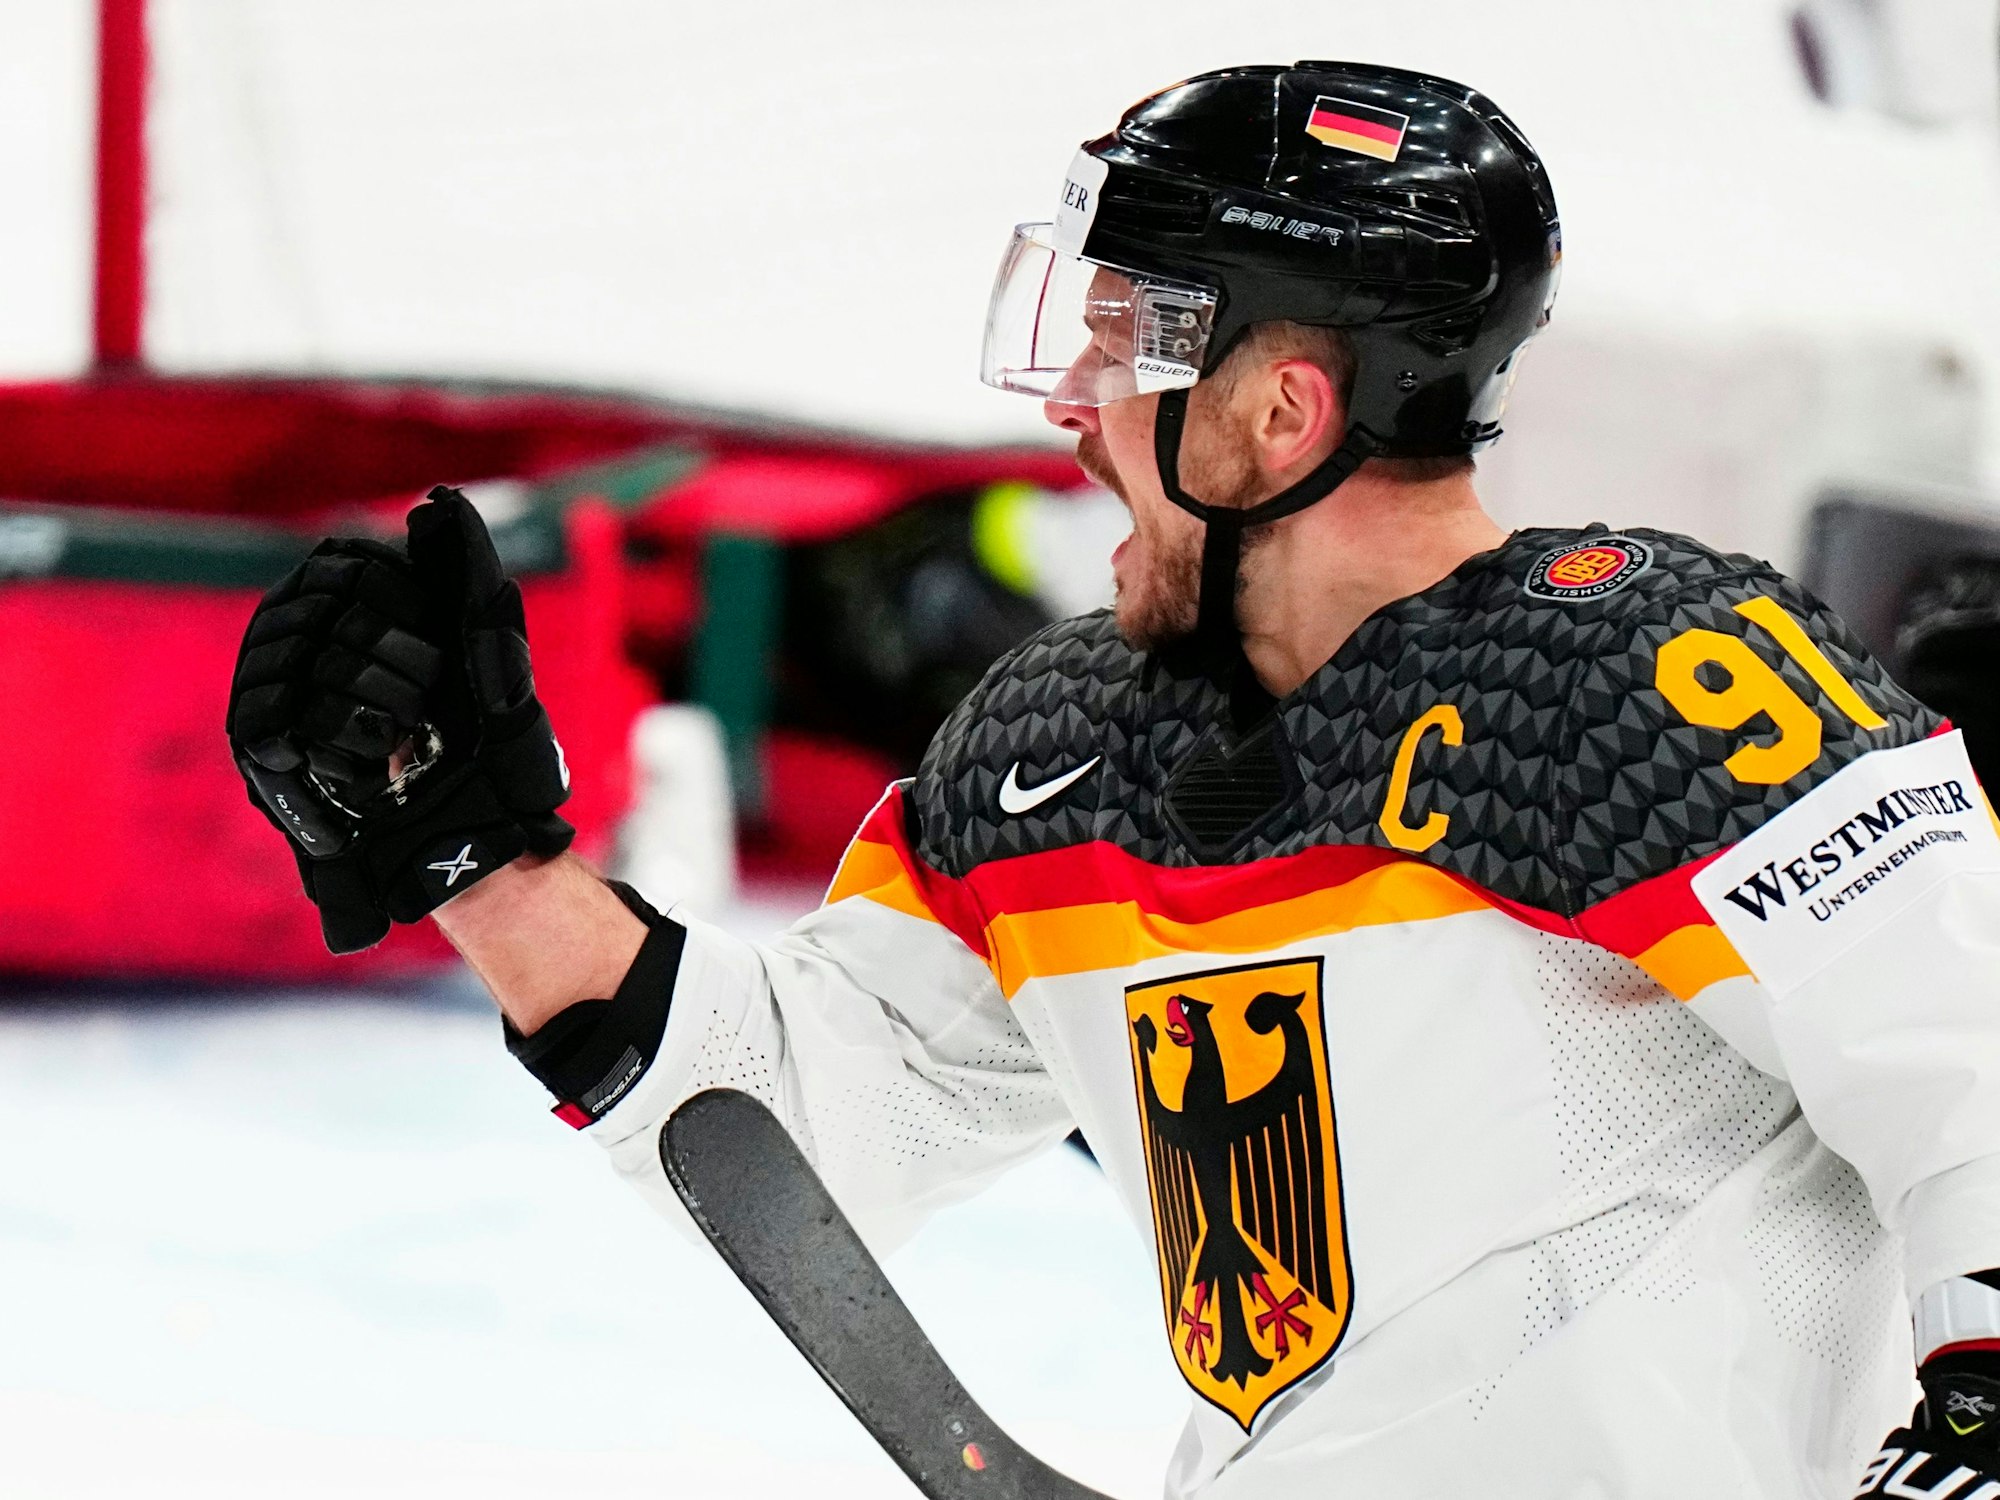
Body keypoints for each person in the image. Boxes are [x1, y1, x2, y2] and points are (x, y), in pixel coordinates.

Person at [226, 61, 2000, 1500]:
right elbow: (797, 1130)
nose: (1069, 398)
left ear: (1286, 412)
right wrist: (478, 855)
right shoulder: (1057, 757)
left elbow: (1970, 1060)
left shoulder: (1645, 680)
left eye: (1129, 336)